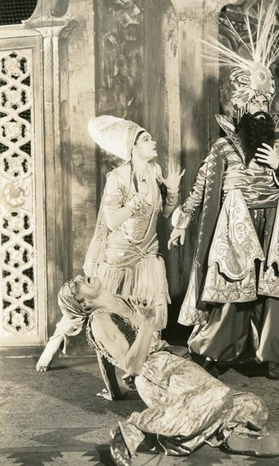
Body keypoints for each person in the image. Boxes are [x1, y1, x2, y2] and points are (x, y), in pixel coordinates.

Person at [168, 3, 279, 383]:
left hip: (273, 224)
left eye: (265, 104)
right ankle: (213, 354)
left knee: (274, 292)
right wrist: (183, 218)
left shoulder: (277, 150)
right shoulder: (224, 148)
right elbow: (203, 185)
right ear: (240, 109)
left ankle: (276, 358)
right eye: (254, 104)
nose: (261, 110)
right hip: (234, 225)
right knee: (231, 289)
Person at [57, 274, 279, 466]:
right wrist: (147, 324)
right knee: (219, 395)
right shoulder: (99, 320)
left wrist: (114, 391)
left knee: (252, 404)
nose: (78, 278)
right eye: (75, 286)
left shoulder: (121, 300)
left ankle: (225, 434)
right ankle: (134, 431)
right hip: (154, 374)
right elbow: (132, 367)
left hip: (173, 363)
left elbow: (109, 355)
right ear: (85, 305)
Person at [36, 117, 184, 395]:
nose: (153, 142)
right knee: (94, 313)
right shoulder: (116, 178)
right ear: (132, 147)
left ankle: (150, 377)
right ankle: (68, 354)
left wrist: (173, 191)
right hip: (118, 256)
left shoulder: (155, 170)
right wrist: (135, 202)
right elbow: (113, 221)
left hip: (148, 253)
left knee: (149, 315)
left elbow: (163, 214)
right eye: (146, 139)